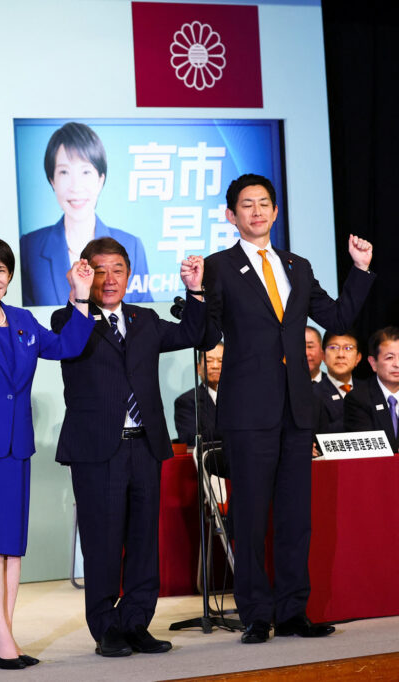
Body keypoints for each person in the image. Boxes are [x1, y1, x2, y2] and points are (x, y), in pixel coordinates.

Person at [202, 173, 375, 644]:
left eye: (264, 203)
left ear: (276, 212)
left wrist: (360, 270)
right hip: (247, 411)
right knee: (251, 517)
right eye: (247, 205)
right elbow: (207, 331)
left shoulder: (297, 265)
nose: (256, 211)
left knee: (296, 518)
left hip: (297, 408)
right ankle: (257, 614)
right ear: (231, 215)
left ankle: (293, 609)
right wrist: (195, 294)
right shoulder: (218, 266)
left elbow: (336, 316)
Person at [0, 238, 95, 670]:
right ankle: (4, 638)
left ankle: (3, 632)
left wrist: (81, 295)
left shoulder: (23, 320)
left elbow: (67, 346)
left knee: (11, 547)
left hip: (16, 446)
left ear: (10, 276)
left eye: (0, 270)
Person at [52, 237, 208, 657]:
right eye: (99, 270)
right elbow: (68, 340)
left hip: (145, 445)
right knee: (102, 542)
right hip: (97, 450)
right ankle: (106, 627)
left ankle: (137, 621)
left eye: (117, 269)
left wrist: (195, 291)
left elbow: (196, 332)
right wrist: (78, 296)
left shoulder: (144, 319)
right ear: (84, 274)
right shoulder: (69, 317)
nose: (109, 279)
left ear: (129, 275)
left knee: (143, 541)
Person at [20, 121, 151, 306]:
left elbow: (145, 315)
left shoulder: (131, 246)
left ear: (100, 180)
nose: (76, 186)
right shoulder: (29, 247)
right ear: (52, 181)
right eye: (64, 172)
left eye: (86, 172)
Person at [344, 327, 399, 453]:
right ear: (373, 363)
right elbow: (368, 449)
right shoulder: (358, 399)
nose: (397, 364)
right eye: (389, 357)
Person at [174, 342, 224, 448]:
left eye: (221, 361)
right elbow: (190, 438)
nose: (215, 366)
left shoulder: (239, 399)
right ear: (198, 368)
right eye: (209, 361)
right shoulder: (187, 401)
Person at [313, 330, 364, 432]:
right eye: (333, 348)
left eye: (348, 348)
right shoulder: (312, 395)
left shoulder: (371, 391)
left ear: (358, 358)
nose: (341, 354)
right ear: (323, 356)